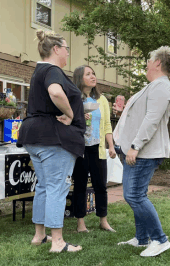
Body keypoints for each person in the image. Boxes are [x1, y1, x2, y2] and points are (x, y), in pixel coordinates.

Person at [17, 30, 86, 253]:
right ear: (56, 49)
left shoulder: (38, 70)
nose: (67, 53)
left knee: (45, 186)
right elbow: (56, 92)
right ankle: (57, 242)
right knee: (58, 187)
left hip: (34, 137)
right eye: (66, 49)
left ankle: (39, 235)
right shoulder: (53, 70)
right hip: (53, 139)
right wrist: (71, 114)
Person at [113, 46, 170, 257]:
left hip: (144, 151)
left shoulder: (161, 86)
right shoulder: (155, 86)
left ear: (158, 63)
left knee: (133, 195)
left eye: (150, 60)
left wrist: (135, 146)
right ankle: (142, 238)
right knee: (136, 195)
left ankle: (160, 239)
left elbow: (152, 120)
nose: (147, 63)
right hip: (139, 150)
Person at [72, 65, 116, 233]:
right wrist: (80, 118)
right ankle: (80, 223)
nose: (92, 76)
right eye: (88, 74)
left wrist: (111, 146)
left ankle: (103, 220)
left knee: (100, 185)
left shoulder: (102, 100)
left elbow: (106, 125)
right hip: (80, 150)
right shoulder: (75, 99)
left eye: (93, 73)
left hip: (97, 149)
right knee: (80, 186)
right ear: (79, 78)